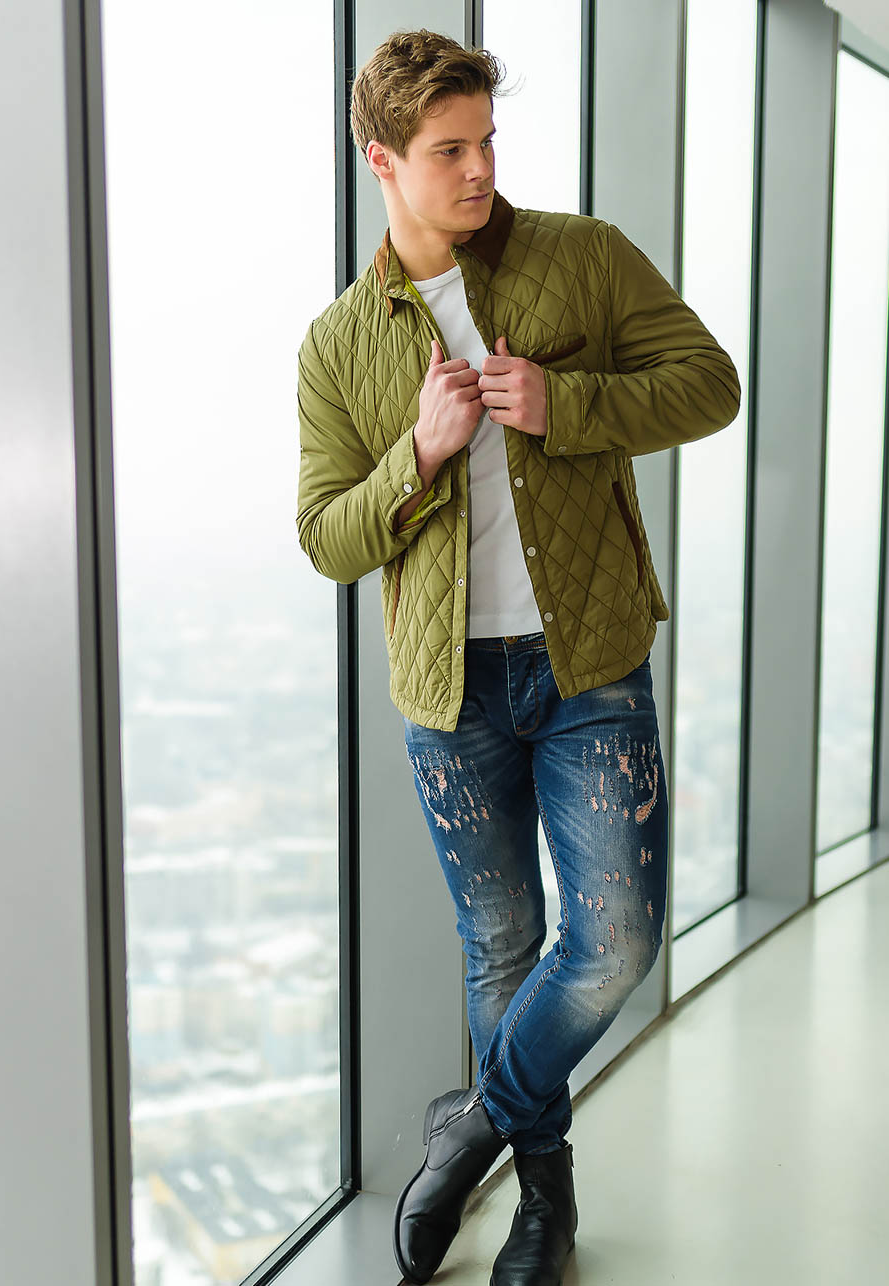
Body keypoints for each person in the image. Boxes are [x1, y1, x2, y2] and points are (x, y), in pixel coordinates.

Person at [296, 28, 740, 1286]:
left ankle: (471, 1126)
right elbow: (327, 537)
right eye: (449, 150)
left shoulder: (580, 257)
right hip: (452, 694)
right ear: (382, 160)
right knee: (501, 947)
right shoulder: (337, 345)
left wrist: (570, 403)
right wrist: (420, 454)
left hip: (588, 662)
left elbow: (710, 382)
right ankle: (545, 1198)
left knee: (615, 940)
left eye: (488, 141)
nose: (481, 168)